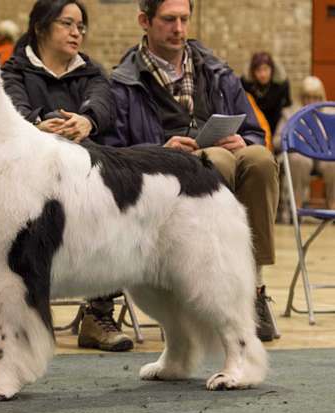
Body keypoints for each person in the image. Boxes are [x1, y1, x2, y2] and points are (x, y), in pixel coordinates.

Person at [104, 0, 280, 342]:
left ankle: (254, 288)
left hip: (219, 158)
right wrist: (160, 150)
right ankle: (213, 293)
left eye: (185, 19)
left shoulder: (216, 69)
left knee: (259, 160)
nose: (179, 29)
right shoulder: (122, 81)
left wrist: (244, 140)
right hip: (164, 177)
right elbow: (114, 151)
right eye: (169, 20)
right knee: (216, 162)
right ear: (145, 20)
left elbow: (255, 130)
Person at [1, 0, 133, 352]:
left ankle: (98, 313)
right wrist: (37, 125)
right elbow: (12, 111)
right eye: (67, 24)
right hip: (26, 180)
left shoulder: (90, 72)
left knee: (113, 202)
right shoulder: (13, 71)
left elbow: (103, 106)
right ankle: (23, 318)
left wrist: (86, 121)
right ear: (42, 26)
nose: (77, 33)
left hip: (82, 176)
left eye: (81, 26)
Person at [274, 76, 335, 210]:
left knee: (333, 163)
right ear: (301, 96)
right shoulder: (289, 113)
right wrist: (295, 140)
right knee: (299, 160)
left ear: (322, 97)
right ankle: (297, 206)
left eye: (316, 97)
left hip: (324, 155)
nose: (311, 101)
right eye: (307, 97)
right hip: (299, 155)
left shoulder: (332, 113)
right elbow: (277, 141)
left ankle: (332, 205)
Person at [241, 51, 292, 135]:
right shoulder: (245, 84)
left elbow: (287, 106)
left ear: (272, 69)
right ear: (253, 72)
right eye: (258, 70)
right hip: (253, 124)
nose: (263, 74)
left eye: (265, 69)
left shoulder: (282, 84)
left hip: (276, 124)